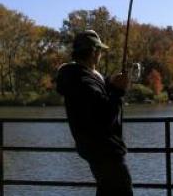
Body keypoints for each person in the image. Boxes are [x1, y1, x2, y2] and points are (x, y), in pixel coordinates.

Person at [56, 30, 133, 196]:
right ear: (93, 52)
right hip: (104, 150)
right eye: (99, 51)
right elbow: (104, 116)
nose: (100, 54)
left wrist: (112, 86)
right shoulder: (82, 81)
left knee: (107, 189)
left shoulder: (80, 77)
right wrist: (118, 91)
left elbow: (98, 101)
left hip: (95, 149)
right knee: (122, 189)